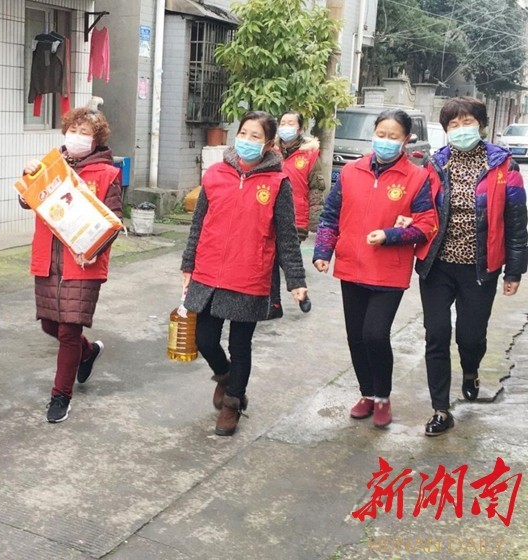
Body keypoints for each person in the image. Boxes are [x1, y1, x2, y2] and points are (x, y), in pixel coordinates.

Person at [181, 110, 308, 436]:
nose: (247, 140)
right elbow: (198, 224)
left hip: (251, 275)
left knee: (240, 344)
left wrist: (296, 281)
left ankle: (233, 402)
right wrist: (188, 265)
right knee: (204, 339)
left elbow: (286, 236)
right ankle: (225, 376)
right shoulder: (215, 175)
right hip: (209, 271)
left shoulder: (278, 183)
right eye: (244, 133)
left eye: (256, 136)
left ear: (268, 144)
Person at [313, 108, 437, 429]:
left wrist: (390, 235)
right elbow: (330, 215)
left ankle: (382, 397)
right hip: (351, 266)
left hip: (389, 271)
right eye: (381, 134)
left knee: (375, 335)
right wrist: (324, 251)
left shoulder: (417, 178)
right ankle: (367, 393)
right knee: (356, 336)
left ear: (406, 140)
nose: (385, 141)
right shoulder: (351, 171)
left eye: (393, 136)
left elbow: (427, 225)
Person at [417, 96, 527, 436]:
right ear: (446, 129)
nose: (461, 129)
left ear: (481, 124)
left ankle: (470, 370)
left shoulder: (504, 166)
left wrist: (514, 270)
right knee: (436, 334)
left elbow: (517, 222)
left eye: (467, 122)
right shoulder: (434, 164)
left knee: (471, 336)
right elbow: (419, 209)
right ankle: (440, 409)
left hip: (480, 268)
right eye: (453, 124)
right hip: (437, 265)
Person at [21, 102, 122, 424]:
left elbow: (114, 221)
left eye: (85, 132)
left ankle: (60, 396)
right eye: (73, 130)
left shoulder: (107, 174)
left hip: (83, 262)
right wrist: (29, 178)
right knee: (49, 324)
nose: (77, 136)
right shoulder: (51, 166)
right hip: (48, 259)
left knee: (68, 330)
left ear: (96, 140)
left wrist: (94, 249)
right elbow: (26, 201)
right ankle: (88, 352)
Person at [268, 110, 325, 317]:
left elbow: (316, 188)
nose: (286, 127)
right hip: (269, 213)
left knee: (285, 258)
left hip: (296, 216)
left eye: (290, 123)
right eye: (283, 122)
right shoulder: (271, 150)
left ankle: (299, 290)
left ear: (300, 128)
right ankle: (274, 303)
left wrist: (315, 220)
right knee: (271, 259)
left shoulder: (310, 154)